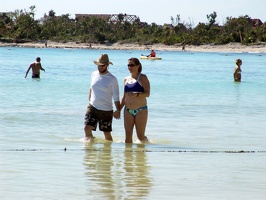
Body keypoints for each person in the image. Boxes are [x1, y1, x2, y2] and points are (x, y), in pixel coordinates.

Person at [84, 54, 120, 142]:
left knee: (106, 133)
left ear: (107, 65)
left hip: (106, 110)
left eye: (102, 65)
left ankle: (107, 153)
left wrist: (118, 110)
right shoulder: (93, 74)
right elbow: (92, 87)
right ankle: (90, 150)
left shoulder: (112, 79)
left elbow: (116, 96)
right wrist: (90, 97)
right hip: (92, 106)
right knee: (86, 128)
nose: (100, 67)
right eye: (99, 65)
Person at [120, 58, 150, 143]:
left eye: (132, 65)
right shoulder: (126, 79)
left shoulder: (143, 77)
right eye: (128, 65)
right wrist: (118, 110)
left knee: (140, 137)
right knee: (128, 136)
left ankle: (144, 149)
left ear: (138, 66)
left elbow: (147, 93)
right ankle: (128, 155)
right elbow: (124, 97)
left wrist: (137, 94)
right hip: (128, 110)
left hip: (141, 109)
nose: (130, 67)